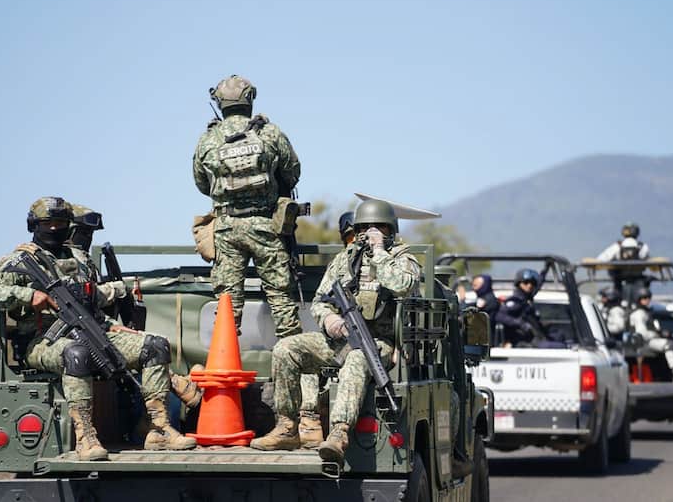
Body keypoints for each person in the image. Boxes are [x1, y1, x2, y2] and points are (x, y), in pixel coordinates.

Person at [0, 197, 196, 460]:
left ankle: (158, 430)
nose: (55, 229)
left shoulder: (80, 259)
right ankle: (85, 438)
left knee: (155, 346)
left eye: (60, 223)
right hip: (41, 340)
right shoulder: (21, 260)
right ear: (35, 225)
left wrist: (112, 312)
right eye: (48, 223)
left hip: (91, 330)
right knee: (76, 354)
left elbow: (92, 304)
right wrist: (26, 296)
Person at [249, 199, 420, 464]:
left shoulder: (402, 260)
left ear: (391, 230)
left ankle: (338, 434)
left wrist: (380, 254)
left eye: (379, 228)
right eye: (365, 228)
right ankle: (287, 427)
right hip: (341, 338)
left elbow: (402, 285)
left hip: (381, 343)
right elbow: (320, 301)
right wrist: (329, 319)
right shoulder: (345, 260)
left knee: (357, 358)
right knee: (286, 349)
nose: (371, 233)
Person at [192, 74, 302, 338]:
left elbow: (201, 183)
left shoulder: (208, 139)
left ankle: (224, 370)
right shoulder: (269, 132)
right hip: (267, 227)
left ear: (219, 103)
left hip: (226, 231)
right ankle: (297, 370)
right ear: (250, 99)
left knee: (228, 308)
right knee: (283, 304)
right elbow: (293, 173)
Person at [67, 203, 203, 411]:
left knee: (152, 345)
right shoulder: (66, 261)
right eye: (84, 232)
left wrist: (113, 325)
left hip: (93, 328)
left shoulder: (84, 262)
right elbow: (81, 299)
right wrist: (116, 289)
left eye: (90, 232)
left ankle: (157, 414)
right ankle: (176, 385)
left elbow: (88, 310)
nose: (88, 237)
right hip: (75, 335)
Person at [628, 287, 673, 371]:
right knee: (668, 345)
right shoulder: (639, 313)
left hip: (647, 341)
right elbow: (642, 334)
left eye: (648, 298)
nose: (647, 300)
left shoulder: (646, 312)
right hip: (643, 343)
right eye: (644, 298)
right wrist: (657, 334)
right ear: (638, 299)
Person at [494, 268, 544, 346]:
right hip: (522, 341)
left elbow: (537, 286)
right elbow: (499, 316)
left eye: (532, 283)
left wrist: (544, 271)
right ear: (519, 283)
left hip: (533, 338)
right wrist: (520, 323)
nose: (529, 285)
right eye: (526, 282)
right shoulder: (516, 301)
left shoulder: (527, 298)